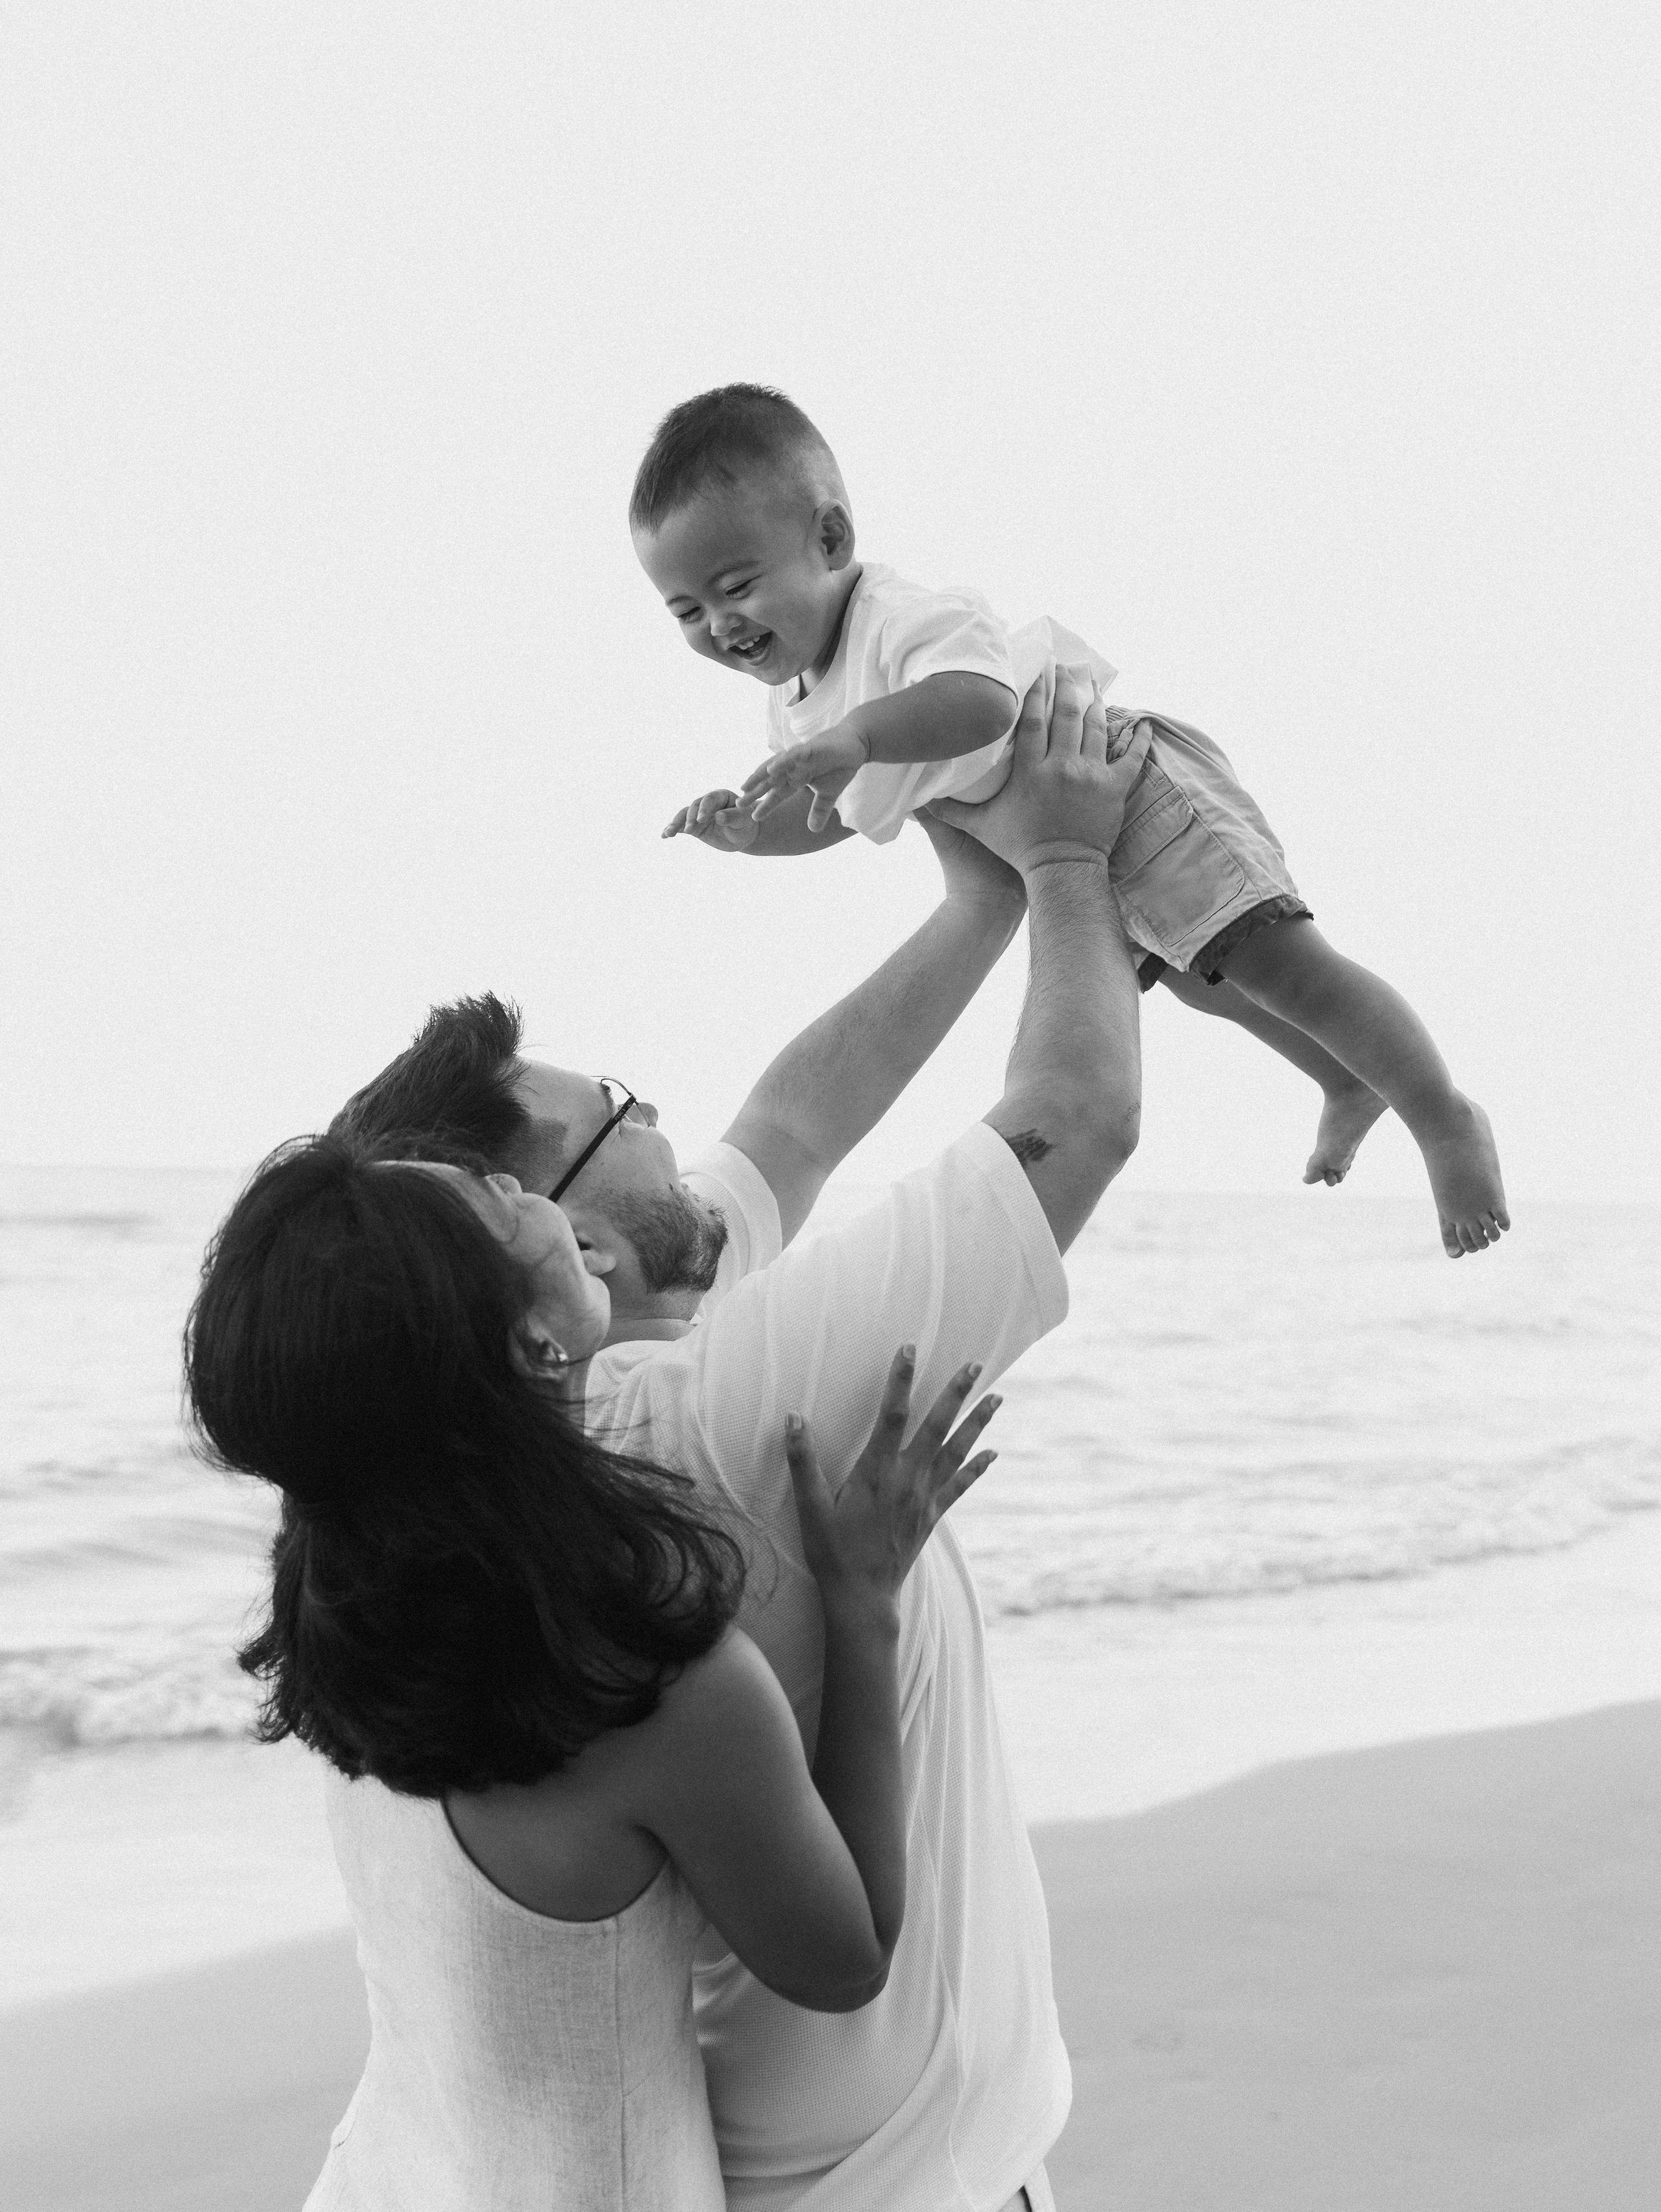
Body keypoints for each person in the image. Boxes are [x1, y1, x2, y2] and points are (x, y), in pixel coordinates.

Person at [333, 673, 1149, 2211]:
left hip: (893, 2156)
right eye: (620, 1109)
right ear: (557, 1236)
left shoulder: (612, 1388)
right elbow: (1077, 1117)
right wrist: (1060, 864)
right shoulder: (711, 1406)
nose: (667, 1120)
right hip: (886, 2182)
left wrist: (970, 902)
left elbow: (794, 1125)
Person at [186, 1129, 1003, 2211]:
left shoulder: (340, 1587)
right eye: (494, 1194)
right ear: (528, 1341)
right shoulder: (644, 1681)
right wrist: (863, 1606)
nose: (527, 1188)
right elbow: (845, 1960)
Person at [633, 381, 1510, 1261]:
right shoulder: (797, 701)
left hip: (1129, 783)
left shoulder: (896, 617)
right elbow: (840, 815)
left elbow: (979, 702)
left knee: (1286, 967)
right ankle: (1342, 1077)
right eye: (687, 611)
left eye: (737, 587)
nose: (720, 624)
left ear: (829, 539)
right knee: (1215, 987)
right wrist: (757, 832)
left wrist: (859, 738)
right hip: (1067, 838)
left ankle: (1445, 1119)